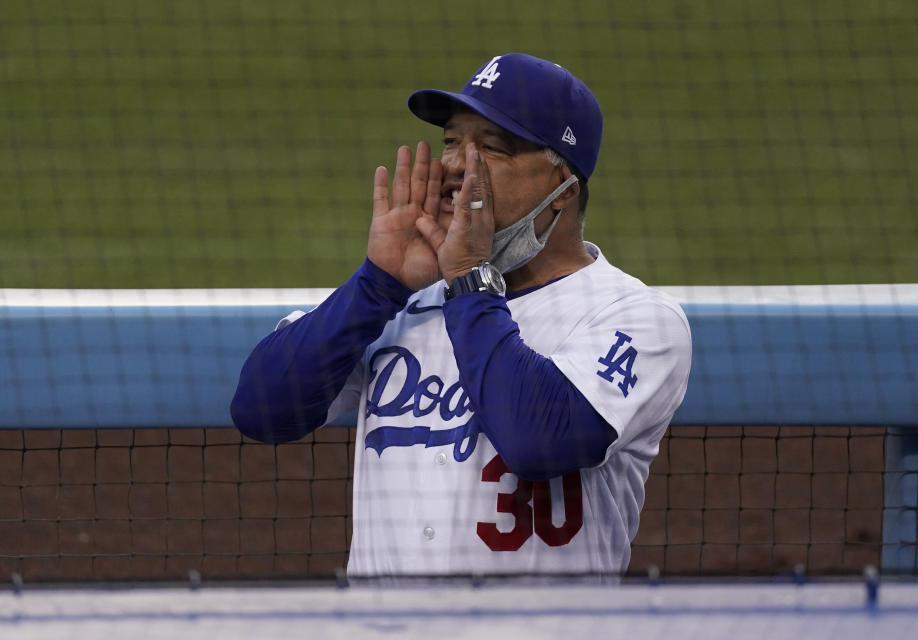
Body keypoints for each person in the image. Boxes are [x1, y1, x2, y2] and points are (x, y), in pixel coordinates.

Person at [231, 53, 692, 578]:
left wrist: (470, 281)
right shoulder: (398, 300)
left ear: (562, 185)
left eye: (490, 148)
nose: (454, 166)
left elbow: (542, 441)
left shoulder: (635, 316)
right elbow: (261, 410)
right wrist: (376, 284)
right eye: (452, 142)